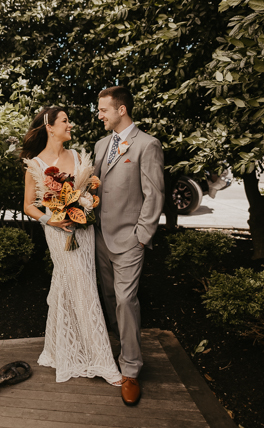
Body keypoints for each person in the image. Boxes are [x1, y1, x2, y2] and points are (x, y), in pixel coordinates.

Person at [21, 107, 122, 386]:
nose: (70, 125)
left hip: (83, 230)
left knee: (73, 283)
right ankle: (103, 360)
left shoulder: (77, 156)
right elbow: (29, 205)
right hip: (57, 232)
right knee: (83, 287)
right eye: (65, 121)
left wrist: (87, 201)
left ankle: (57, 349)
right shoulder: (36, 164)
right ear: (50, 127)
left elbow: (89, 192)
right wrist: (51, 220)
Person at [93, 86, 165, 406]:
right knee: (109, 298)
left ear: (121, 110)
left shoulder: (147, 145)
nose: (99, 115)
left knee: (125, 300)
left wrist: (142, 236)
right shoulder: (99, 145)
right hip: (99, 238)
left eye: (103, 109)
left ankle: (131, 370)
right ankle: (118, 347)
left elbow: (155, 194)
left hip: (129, 241)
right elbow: (95, 189)